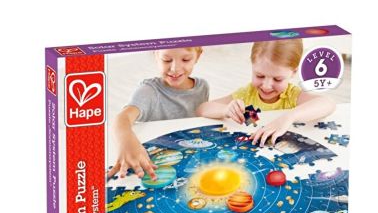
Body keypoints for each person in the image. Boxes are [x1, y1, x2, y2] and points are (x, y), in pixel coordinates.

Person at [196, 39, 335, 147]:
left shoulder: (292, 95)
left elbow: (328, 103)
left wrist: (289, 117)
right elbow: (203, 108)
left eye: (277, 79)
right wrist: (226, 109)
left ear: (293, 72)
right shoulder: (246, 94)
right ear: (252, 66)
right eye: (260, 76)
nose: (267, 86)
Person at [108, 47, 209, 180]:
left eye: (185, 59)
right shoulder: (148, 91)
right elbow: (122, 118)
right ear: (156, 55)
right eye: (166, 60)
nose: (175, 68)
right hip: (157, 162)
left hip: (188, 159)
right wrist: (126, 144)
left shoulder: (202, 87)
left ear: (198, 57)